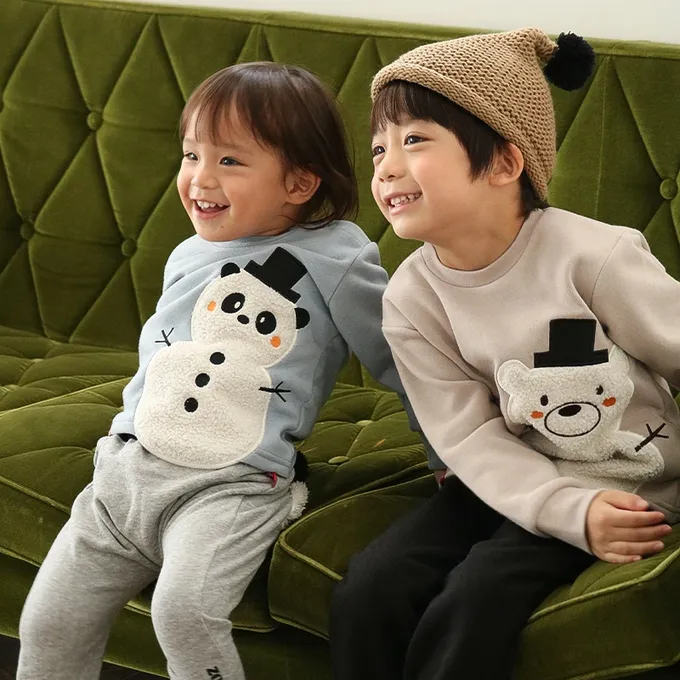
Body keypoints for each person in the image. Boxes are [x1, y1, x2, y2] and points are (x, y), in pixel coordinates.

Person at [17, 62, 427, 680]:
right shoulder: (189, 252)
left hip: (231, 485)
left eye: (229, 160)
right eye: (191, 155)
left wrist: (449, 452)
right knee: (47, 624)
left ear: (299, 181)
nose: (200, 178)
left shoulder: (338, 257)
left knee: (183, 612)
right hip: (127, 472)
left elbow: (404, 358)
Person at [330, 28, 680, 680]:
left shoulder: (594, 256)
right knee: (371, 588)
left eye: (414, 140)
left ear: (502, 163)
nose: (385, 167)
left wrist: (581, 511)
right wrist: (552, 504)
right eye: (379, 147)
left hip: (623, 482)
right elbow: (466, 436)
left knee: (477, 599)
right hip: (501, 479)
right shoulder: (410, 297)